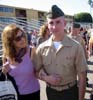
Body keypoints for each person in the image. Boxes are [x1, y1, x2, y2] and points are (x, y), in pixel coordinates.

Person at [33, 5, 88, 100]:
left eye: (58, 22)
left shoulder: (76, 46)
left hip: (70, 92)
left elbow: (82, 77)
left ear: (65, 23)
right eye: (51, 23)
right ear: (48, 25)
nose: (54, 26)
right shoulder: (41, 48)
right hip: (51, 92)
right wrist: (47, 78)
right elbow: (35, 71)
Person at [1, 24, 40, 100]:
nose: (23, 39)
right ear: (10, 42)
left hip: (32, 93)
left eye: (23, 35)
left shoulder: (31, 51)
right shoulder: (6, 56)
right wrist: (4, 71)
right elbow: (5, 76)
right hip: (14, 94)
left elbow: (39, 71)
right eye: (18, 38)